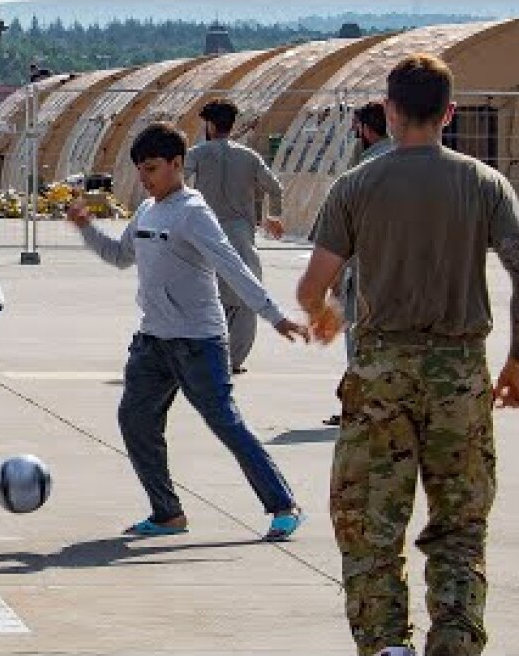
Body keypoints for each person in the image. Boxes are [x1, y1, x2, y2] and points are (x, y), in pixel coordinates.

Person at [297, 55, 519, 656]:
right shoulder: (485, 184)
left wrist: (326, 312)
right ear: (449, 114)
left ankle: (385, 645)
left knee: (370, 527)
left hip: (381, 372)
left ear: (389, 111)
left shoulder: (355, 186)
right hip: (460, 372)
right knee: (459, 526)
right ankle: (455, 641)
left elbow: (314, 285)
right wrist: (516, 362)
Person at [68, 121, 308, 541]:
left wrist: (274, 315)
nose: (145, 178)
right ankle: (167, 514)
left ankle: (283, 505)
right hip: (153, 342)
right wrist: (87, 229)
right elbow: (122, 256)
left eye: (153, 169)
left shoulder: (193, 213)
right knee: (135, 420)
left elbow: (232, 265)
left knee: (224, 423)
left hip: (198, 343)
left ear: (178, 165)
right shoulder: (146, 210)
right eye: (141, 170)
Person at [184, 100, 285, 375]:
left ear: (210, 125)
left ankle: (201, 357)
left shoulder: (196, 154)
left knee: (203, 297)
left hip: (205, 232)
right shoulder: (250, 157)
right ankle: (233, 360)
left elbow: (177, 180)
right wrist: (274, 216)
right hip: (240, 235)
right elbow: (275, 188)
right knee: (245, 298)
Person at [322, 100, 393, 427]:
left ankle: (362, 407)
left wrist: (334, 279)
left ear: (365, 130)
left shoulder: (359, 174)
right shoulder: (413, 165)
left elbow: (342, 234)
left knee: (361, 344)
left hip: (364, 275)